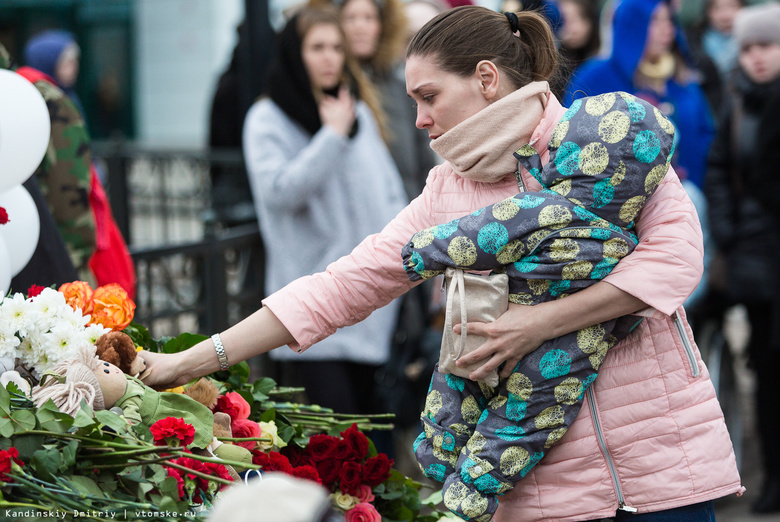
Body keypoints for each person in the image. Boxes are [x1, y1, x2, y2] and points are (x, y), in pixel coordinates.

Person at [141, 6, 742, 521]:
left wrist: (537, 325)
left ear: (485, 78)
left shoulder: (607, 139)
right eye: (414, 102)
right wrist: (194, 359)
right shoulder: (446, 188)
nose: (421, 118)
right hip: (545, 493)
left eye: (429, 97)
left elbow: (675, 261)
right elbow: (347, 284)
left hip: (667, 467)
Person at [402, 90, 675, 519]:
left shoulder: (545, 208)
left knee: (461, 374)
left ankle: (438, 448)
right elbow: (628, 315)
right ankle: (475, 490)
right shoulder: (625, 242)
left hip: (500, 316)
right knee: (529, 420)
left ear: (566, 151)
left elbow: (482, 235)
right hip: (572, 347)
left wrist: (423, 251)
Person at [239, 6, 407, 419]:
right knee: (334, 448)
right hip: (309, 310)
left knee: (374, 447)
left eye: (336, 47)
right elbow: (279, 193)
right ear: (296, 53)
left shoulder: (354, 111)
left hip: (371, 304)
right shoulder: (267, 119)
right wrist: (331, 137)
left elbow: (388, 193)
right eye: (316, 47)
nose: (330, 57)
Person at [703, 2, 780, 514]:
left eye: (766, 46)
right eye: (748, 48)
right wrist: (728, 233)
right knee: (769, 373)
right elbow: (719, 166)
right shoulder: (737, 100)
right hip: (753, 261)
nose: (756, 57)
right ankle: (773, 474)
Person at [564, 0, 715, 191]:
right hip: (615, 202)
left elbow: (708, 136)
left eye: (669, 20)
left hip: (688, 198)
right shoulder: (594, 78)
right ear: (631, 24)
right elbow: (572, 142)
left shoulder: (683, 78)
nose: (667, 29)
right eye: (654, 20)